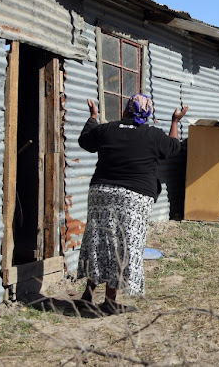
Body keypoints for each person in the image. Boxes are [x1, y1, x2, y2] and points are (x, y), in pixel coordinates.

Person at [76, 93, 188, 314]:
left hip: (101, 194)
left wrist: (93, 116)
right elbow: (173, 148)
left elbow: (85, 141)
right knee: (123, 246)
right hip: (133, 198)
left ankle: (87, 296)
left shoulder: (107, 130)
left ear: (126, 110)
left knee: (98, 241)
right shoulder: (152, 135)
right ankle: (109, 301)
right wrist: (175, 121)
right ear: (146, 115)